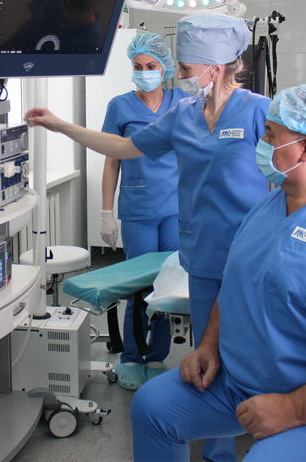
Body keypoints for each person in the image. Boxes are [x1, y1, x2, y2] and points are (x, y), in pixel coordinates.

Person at [26, 14, 270, 462]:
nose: (180, 76)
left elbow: (290, 174)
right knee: (209, 354)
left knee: (250, 351)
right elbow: (122, 148)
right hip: (203, 256)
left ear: (215, 67)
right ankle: (216, 450)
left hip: (251, 256)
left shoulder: (259, 111)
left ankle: (262, 425)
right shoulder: (184, 115)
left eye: (185, 68)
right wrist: (61, 126)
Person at [130, 84, 306, 462]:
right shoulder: (267, 207)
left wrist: (291, 409)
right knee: (151, 408)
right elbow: (234, 285)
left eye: (270, 135)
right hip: (237, 382)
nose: (260, 144)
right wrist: (209, 345)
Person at [100, 32, 186, 390]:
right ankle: (132, 356)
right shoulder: (120, 106)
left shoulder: (182, 101)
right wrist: (106, 211)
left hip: (176, 209)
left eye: (151, 65)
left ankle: (157, 356)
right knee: (138, 287)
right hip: (138, 209)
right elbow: (112, 161)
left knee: (167, 285)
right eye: (138, 66)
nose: (145, 72)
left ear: (165, 68)